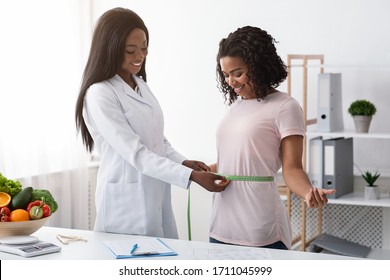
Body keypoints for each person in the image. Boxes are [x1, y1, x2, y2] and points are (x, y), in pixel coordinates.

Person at [75, 7, 228, 238]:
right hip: (126, 206)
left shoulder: (139, 85)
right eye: (130, 50)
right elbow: (136, 152)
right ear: (110, 49)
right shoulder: (100, 94)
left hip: (155, 194)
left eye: (144, 47)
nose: (140, 56)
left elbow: (157, 140)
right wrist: (192, 177)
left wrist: (185, 162)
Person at [208, 26, 335, 250]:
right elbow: (240, 161)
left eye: (237, 73)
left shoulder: (285, 107)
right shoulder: (235, 108)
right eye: (226, 75)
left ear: (258, 67)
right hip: (221, 225)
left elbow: (292, 168)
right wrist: (198, 171)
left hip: (258, 227)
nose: (231, 82)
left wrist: (308, 192)